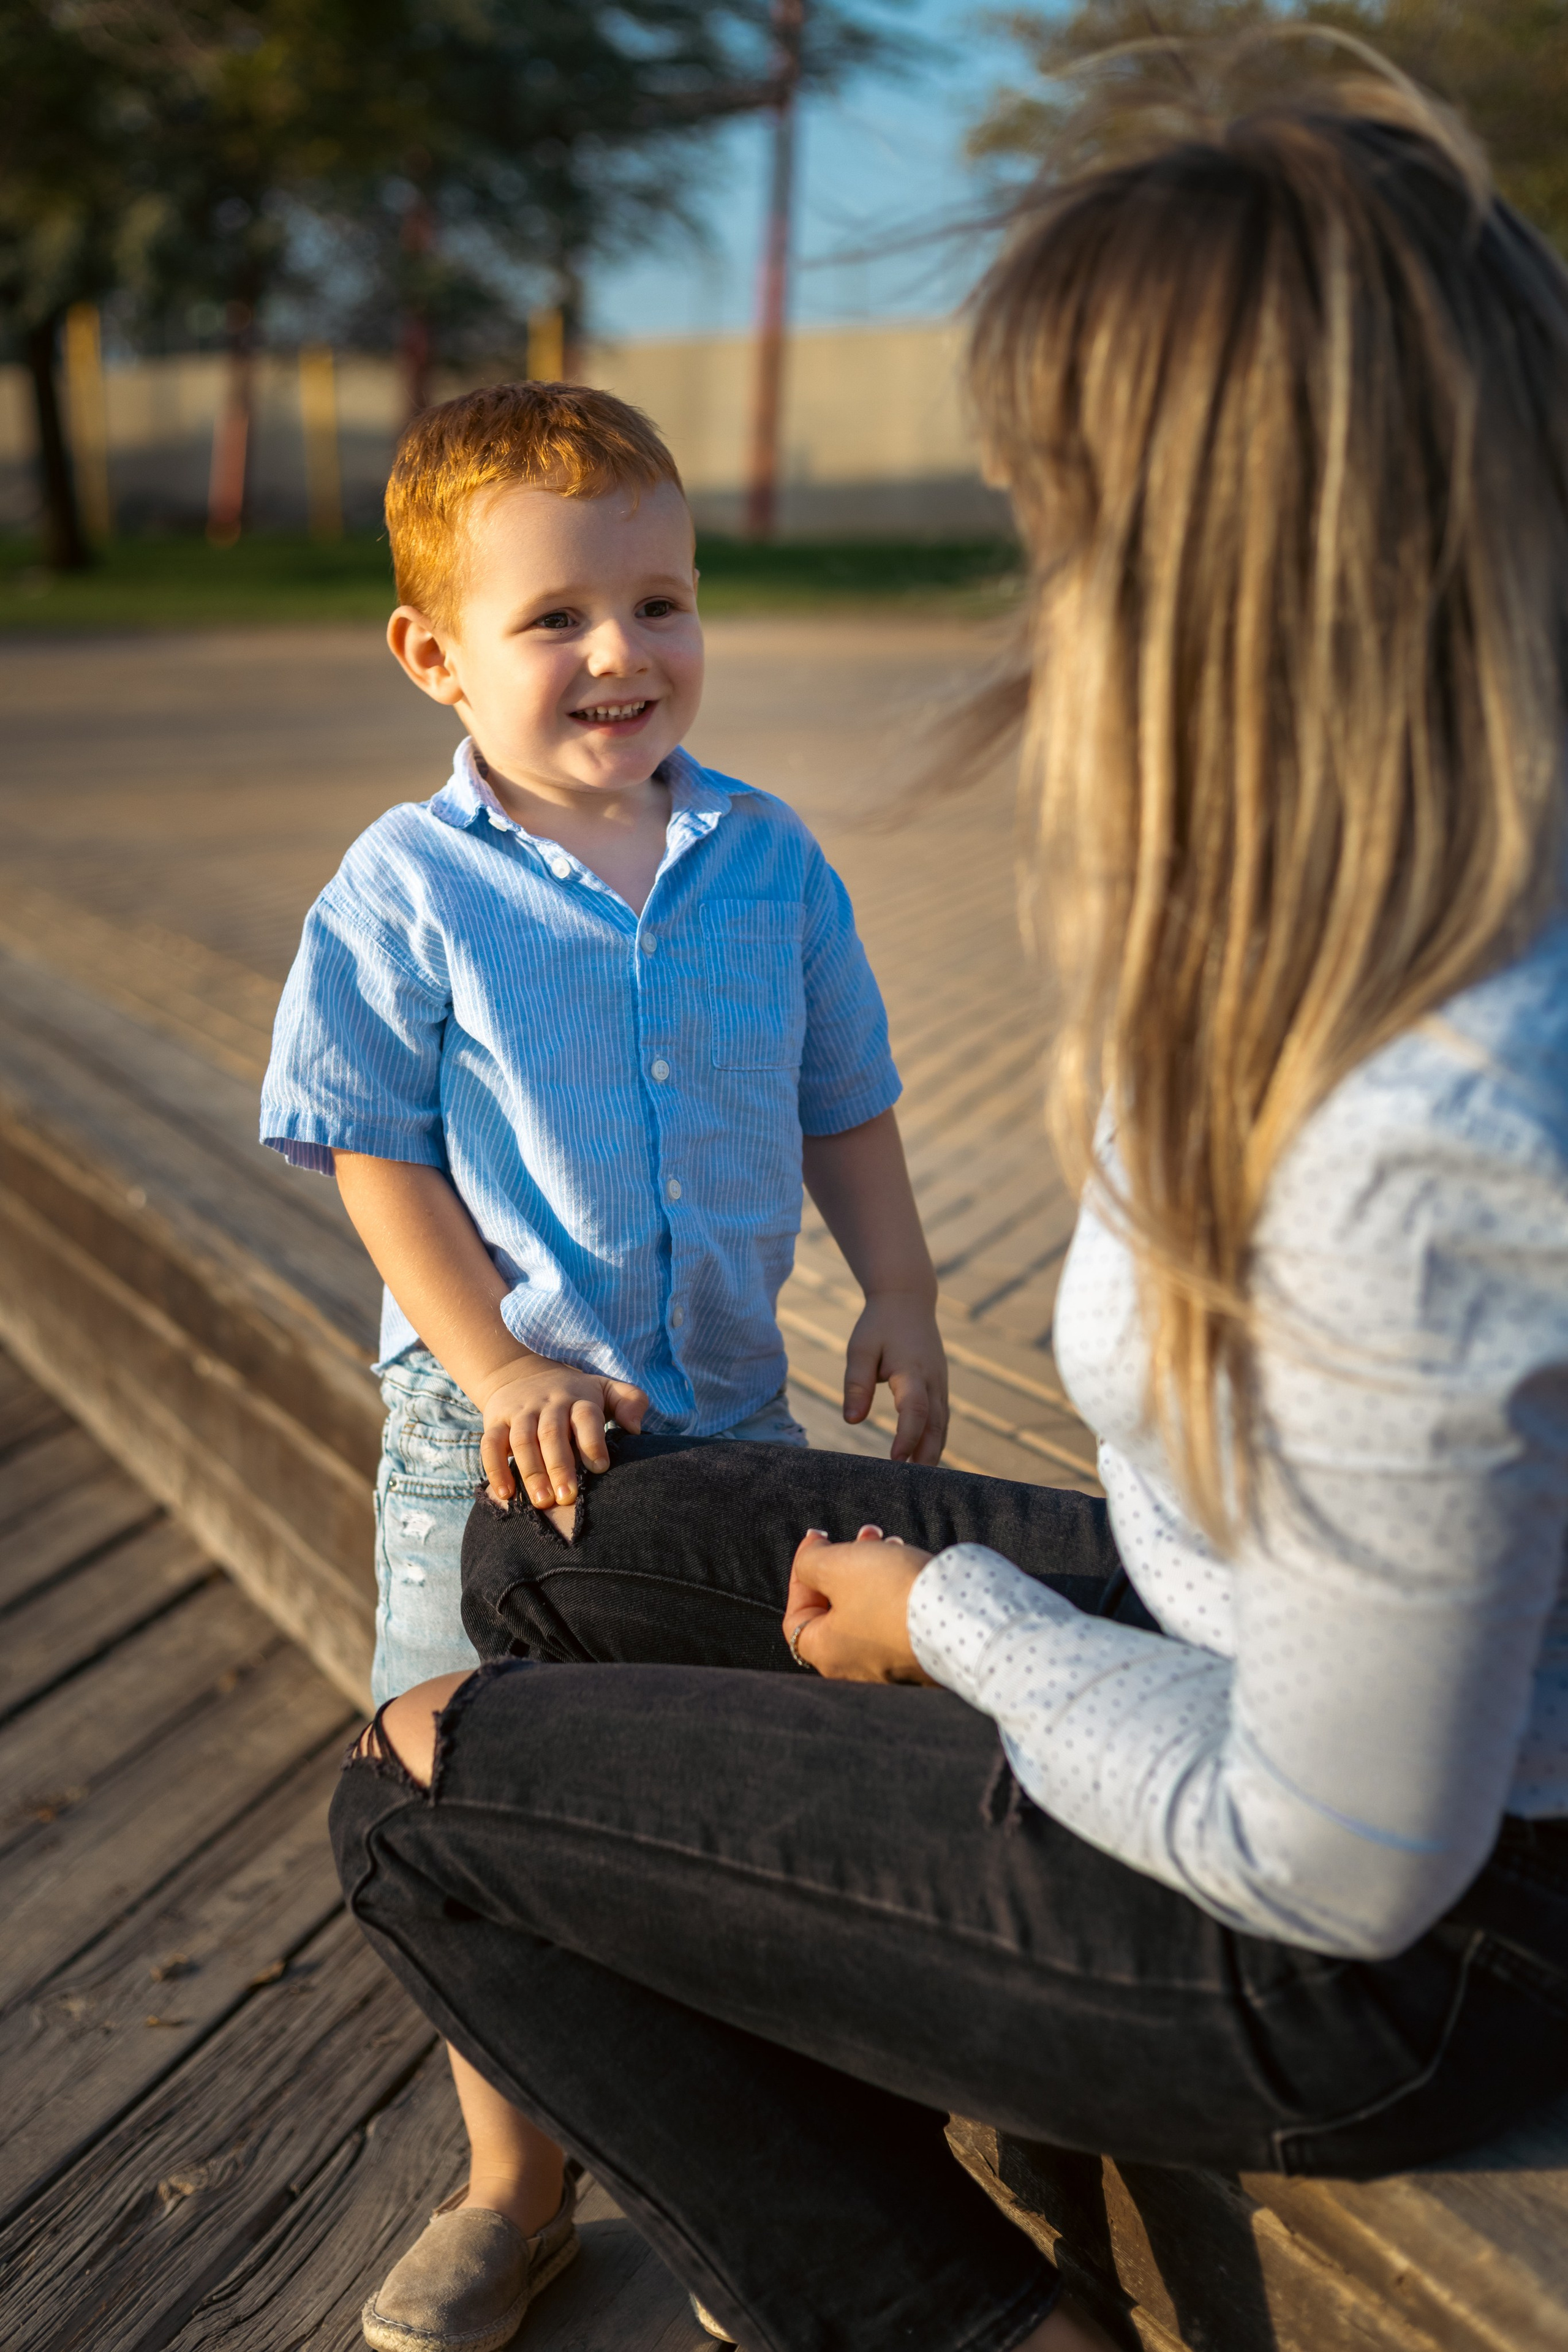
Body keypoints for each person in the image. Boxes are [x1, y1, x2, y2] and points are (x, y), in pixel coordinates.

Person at [326, 67, 1568, 2352]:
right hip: (1323, 1663)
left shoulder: (1439, 1109)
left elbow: (1339, 1853)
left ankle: (956, 2314)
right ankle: (804, 2033)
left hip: (1427, 1923)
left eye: (1064, 522)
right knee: (534, 1555)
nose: (1032, 598)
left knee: (410, 1791)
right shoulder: (1372, 910)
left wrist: (966, 1628)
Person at [258, 380, 949, 2352]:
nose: (620, 655)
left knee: (737, 1807)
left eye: (661, 601)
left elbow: (851, 1098)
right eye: (556, 617)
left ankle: (760, 2181)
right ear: (433, 655)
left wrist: (898, 1290)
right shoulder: (408, 887)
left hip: (724, 1432)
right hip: (491, 1454)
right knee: (474, 1789)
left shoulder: (768, 857)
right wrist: (489, 1364)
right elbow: (367, 1143)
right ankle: (517, 2186)